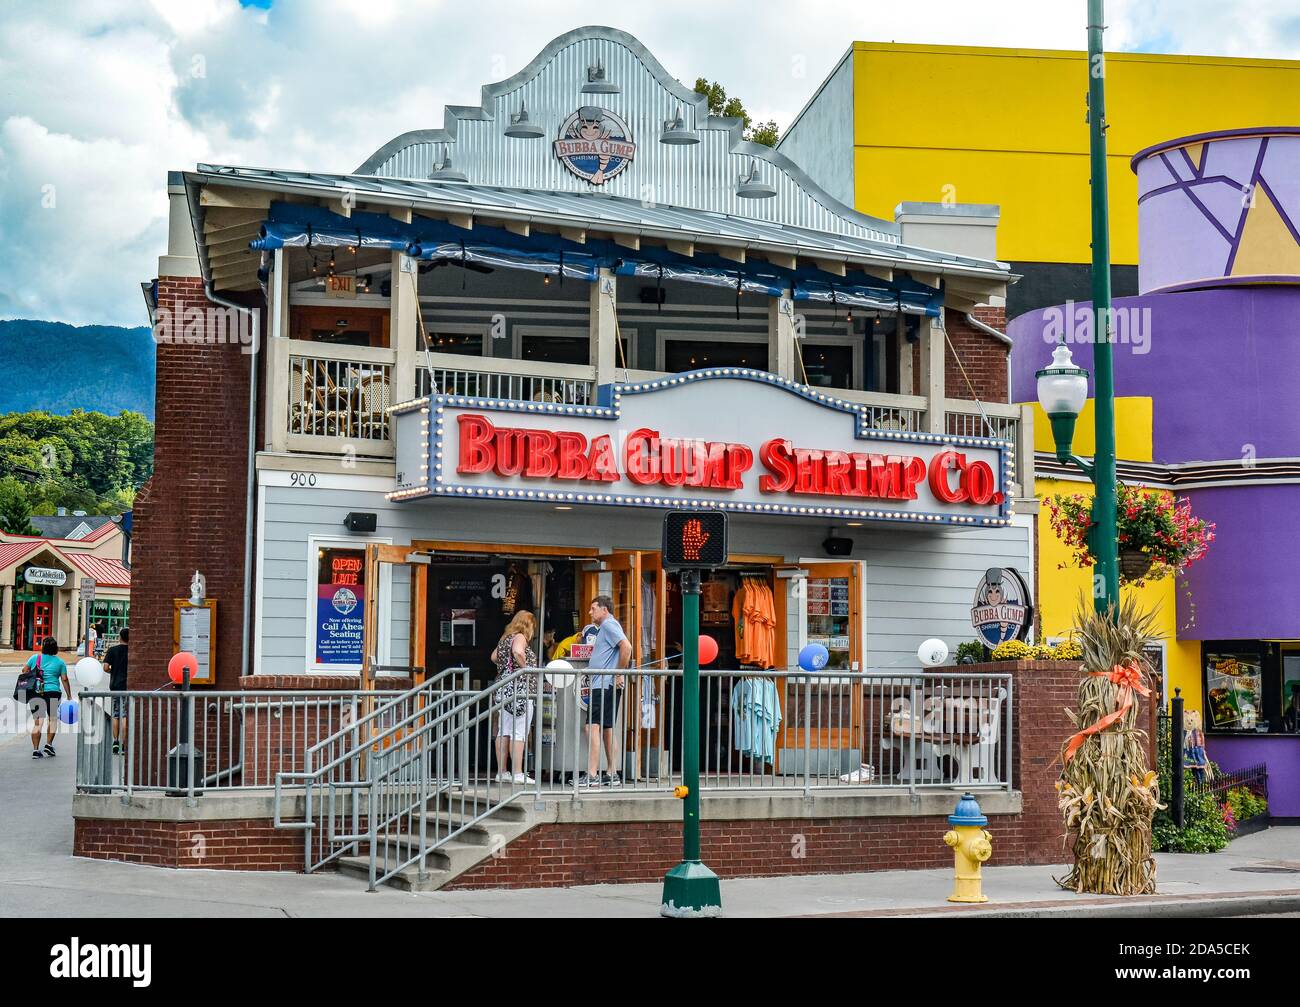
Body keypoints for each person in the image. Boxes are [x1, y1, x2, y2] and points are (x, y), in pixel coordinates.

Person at [579, 595, 631, 788]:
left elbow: (626, 646)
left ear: (604, 610)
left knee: (592, 726)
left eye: (593, 608)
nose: (590, 612)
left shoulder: (609, 625)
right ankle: (612, 773)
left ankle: (592, 774)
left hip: (604, 684)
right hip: (605, 684)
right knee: (607, 728)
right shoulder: (609, 626)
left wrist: (618, 673)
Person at [493, 611, 538, 786]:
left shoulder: (505, 638)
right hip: (520, 691)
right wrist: (527, 669)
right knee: (519, 732)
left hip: (504, 690)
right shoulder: (520, 637)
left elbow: (494, 657)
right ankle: (518, 773)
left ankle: (502, 772)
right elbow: (518, 652)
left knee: (504, 731)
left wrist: (507, 668)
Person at [25, 637, 70, 760]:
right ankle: (49, 745)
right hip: (53, 692)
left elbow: (24, 670)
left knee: (38, 722)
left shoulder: (35, 658)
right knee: (53, 719)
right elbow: (64, 679)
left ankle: (35, 750)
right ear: (55, 648)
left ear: (43, 647)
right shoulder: (60, 662)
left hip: (36, 693)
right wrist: (69, 696)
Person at [103, 627, 129, 755]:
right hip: (127, 687)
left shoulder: (112, 650)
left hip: (115, 686)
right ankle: (124, 745)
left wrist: (112, 671)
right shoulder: (131, 651)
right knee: (125, 715)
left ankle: (115, 741)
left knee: (116, 714)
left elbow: (105, 667)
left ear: (120, 637)